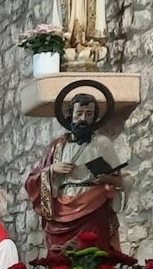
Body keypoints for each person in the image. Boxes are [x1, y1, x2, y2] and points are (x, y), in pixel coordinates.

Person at [25, 93, 126, 250]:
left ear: (95, 117)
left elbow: (119, 180)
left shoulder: (102, 143)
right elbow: (33, 178)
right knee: (60, 258)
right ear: (71, 115)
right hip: (62, 209)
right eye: (79, 114)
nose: (83, 119)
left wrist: (106, 178)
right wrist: (51, 170)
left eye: (89, 114)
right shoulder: (57, 146)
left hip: (94, 206)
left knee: (94, 253)